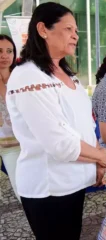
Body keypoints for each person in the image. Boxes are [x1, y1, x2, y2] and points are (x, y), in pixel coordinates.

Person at [6, 3, 106, 240]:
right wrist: (101, 156)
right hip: (49, 187)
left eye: (76, 30)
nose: (76, 35)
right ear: (43, 29)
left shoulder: (66, 73)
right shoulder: (28, 75)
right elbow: (58, 143)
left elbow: (84, 122)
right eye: (69, 28)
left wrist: (96, 162)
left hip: (74, 181)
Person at [0, 35, 20, 202]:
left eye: (9, 51)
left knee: (22, 190)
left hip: (18, 143)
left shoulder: (20, 78)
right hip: (4, 142)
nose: (4, 55)